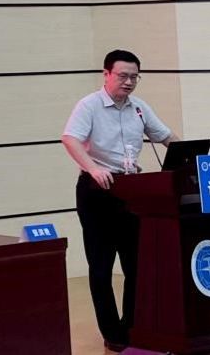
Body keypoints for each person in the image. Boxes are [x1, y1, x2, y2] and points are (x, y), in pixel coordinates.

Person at [61, 49, 178, 353]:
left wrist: (193, 156)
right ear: (106, 74)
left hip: (132, 191)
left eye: (134, 77)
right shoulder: (89, 105)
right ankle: (112, 332)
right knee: (101, 266)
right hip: (97, 191)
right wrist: (93, 168)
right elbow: (70, 139)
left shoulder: (139, 108)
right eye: (123, 76)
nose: (129, 82)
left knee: (136, 264)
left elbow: (166, 137)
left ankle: (132, 326)